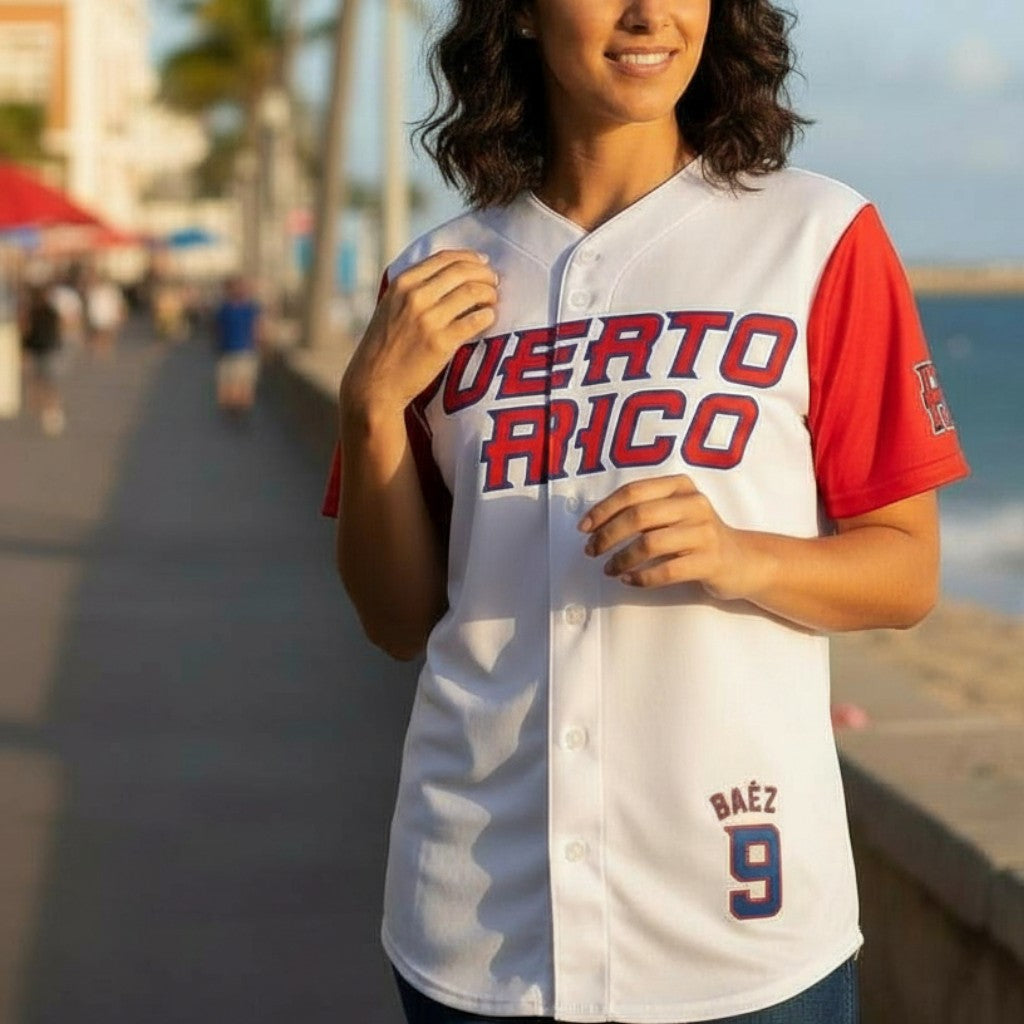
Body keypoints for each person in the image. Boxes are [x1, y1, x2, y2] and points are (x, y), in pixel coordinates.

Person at [322, 2, 969, 1022]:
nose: (646, 13)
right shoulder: (434, 278)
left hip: (737, 932)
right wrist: (369, 411)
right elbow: (396, 619)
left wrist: (739, 553)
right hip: (478, 925)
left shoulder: (813, 237)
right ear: (523, 16)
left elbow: (905, 572)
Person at [19, 281, 67, 436]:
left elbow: (25, 331)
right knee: (46, 382)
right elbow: (60, 328)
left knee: (42, 381)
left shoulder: (34, 312)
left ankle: (48, 410)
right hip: (47, 349)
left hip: (41, 349)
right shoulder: (48, 311)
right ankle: (49, 410)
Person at [213, 276, 261, 415]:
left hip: (245, 351)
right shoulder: (224, 309)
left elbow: (257, 329)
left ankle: (240, 413)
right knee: (230, 388)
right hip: (229, 351)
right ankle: (235, 412)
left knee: (243, 385)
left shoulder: (250, 308)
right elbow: (217, 329)